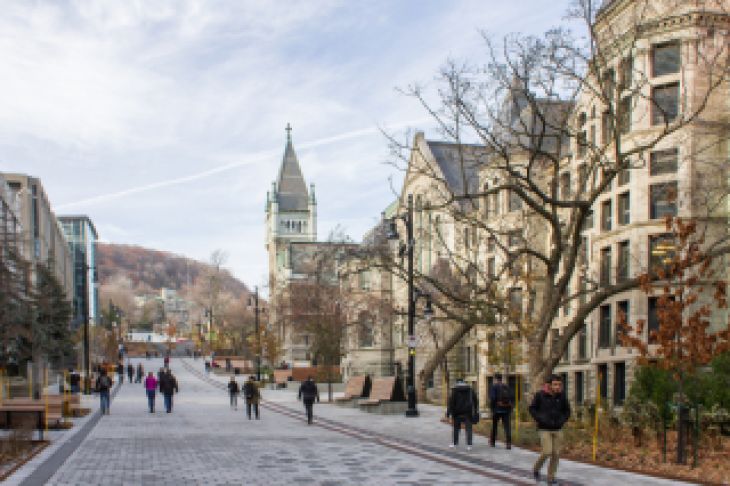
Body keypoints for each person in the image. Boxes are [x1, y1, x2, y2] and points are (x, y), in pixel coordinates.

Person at [529, 374, 571, 485]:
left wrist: (562, 420)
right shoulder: (540, 395)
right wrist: (540, 419)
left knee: (556, 454)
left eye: (559, 385)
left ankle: (551, 478)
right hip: (544, 428)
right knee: (547, 451)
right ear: (549, 385)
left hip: (558, 428)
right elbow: (532, 409)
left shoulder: (562, 396)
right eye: (555, 384)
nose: (557, 387)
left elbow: (567, 411)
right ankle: (536, 469)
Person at [446, 378, 478, 450]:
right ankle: (469, 445)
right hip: (468, 412)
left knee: (456, 428)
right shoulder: (470, 390)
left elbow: (451, 403)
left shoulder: (455, 390)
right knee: (468, 429)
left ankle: (455, 443)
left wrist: (448, 413)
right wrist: (475, 410)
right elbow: (475, 400)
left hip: (457, 413)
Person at [489, 373, 514, 449]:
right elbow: (512, 397)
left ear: (495, 379)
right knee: (507, 427)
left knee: (494, 426)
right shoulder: (506, 387)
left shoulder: (494, 387)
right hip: (506, 410)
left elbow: (493, 398)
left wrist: (492, 408)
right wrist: (510, 408)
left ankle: (492, 442)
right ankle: (508, 443)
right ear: (501, 379)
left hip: (497, 410)